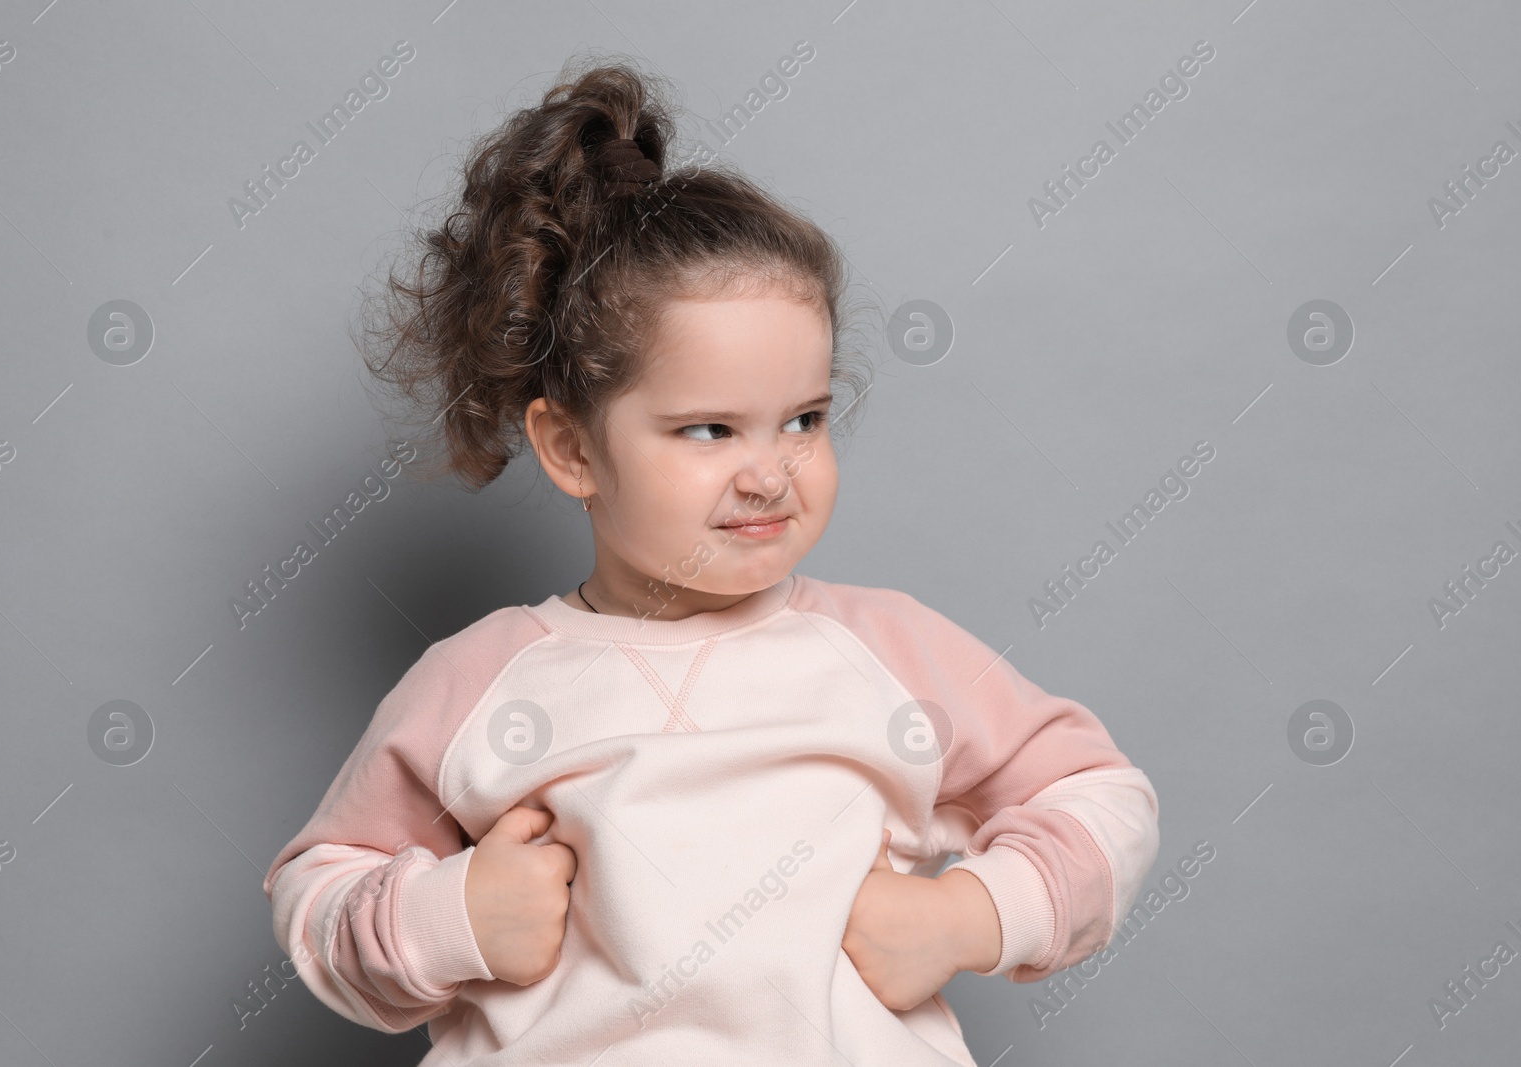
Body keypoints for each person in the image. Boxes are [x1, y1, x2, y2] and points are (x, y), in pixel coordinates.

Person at [263, 54, 1159, 1066]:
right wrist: (445, 914)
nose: (770, 474)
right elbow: (320, 885)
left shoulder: (887, 653)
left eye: (803, 420)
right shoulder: (482, 681)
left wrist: (968, 913)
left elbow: (1098, 794)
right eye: (708, 430)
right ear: (570, 447)